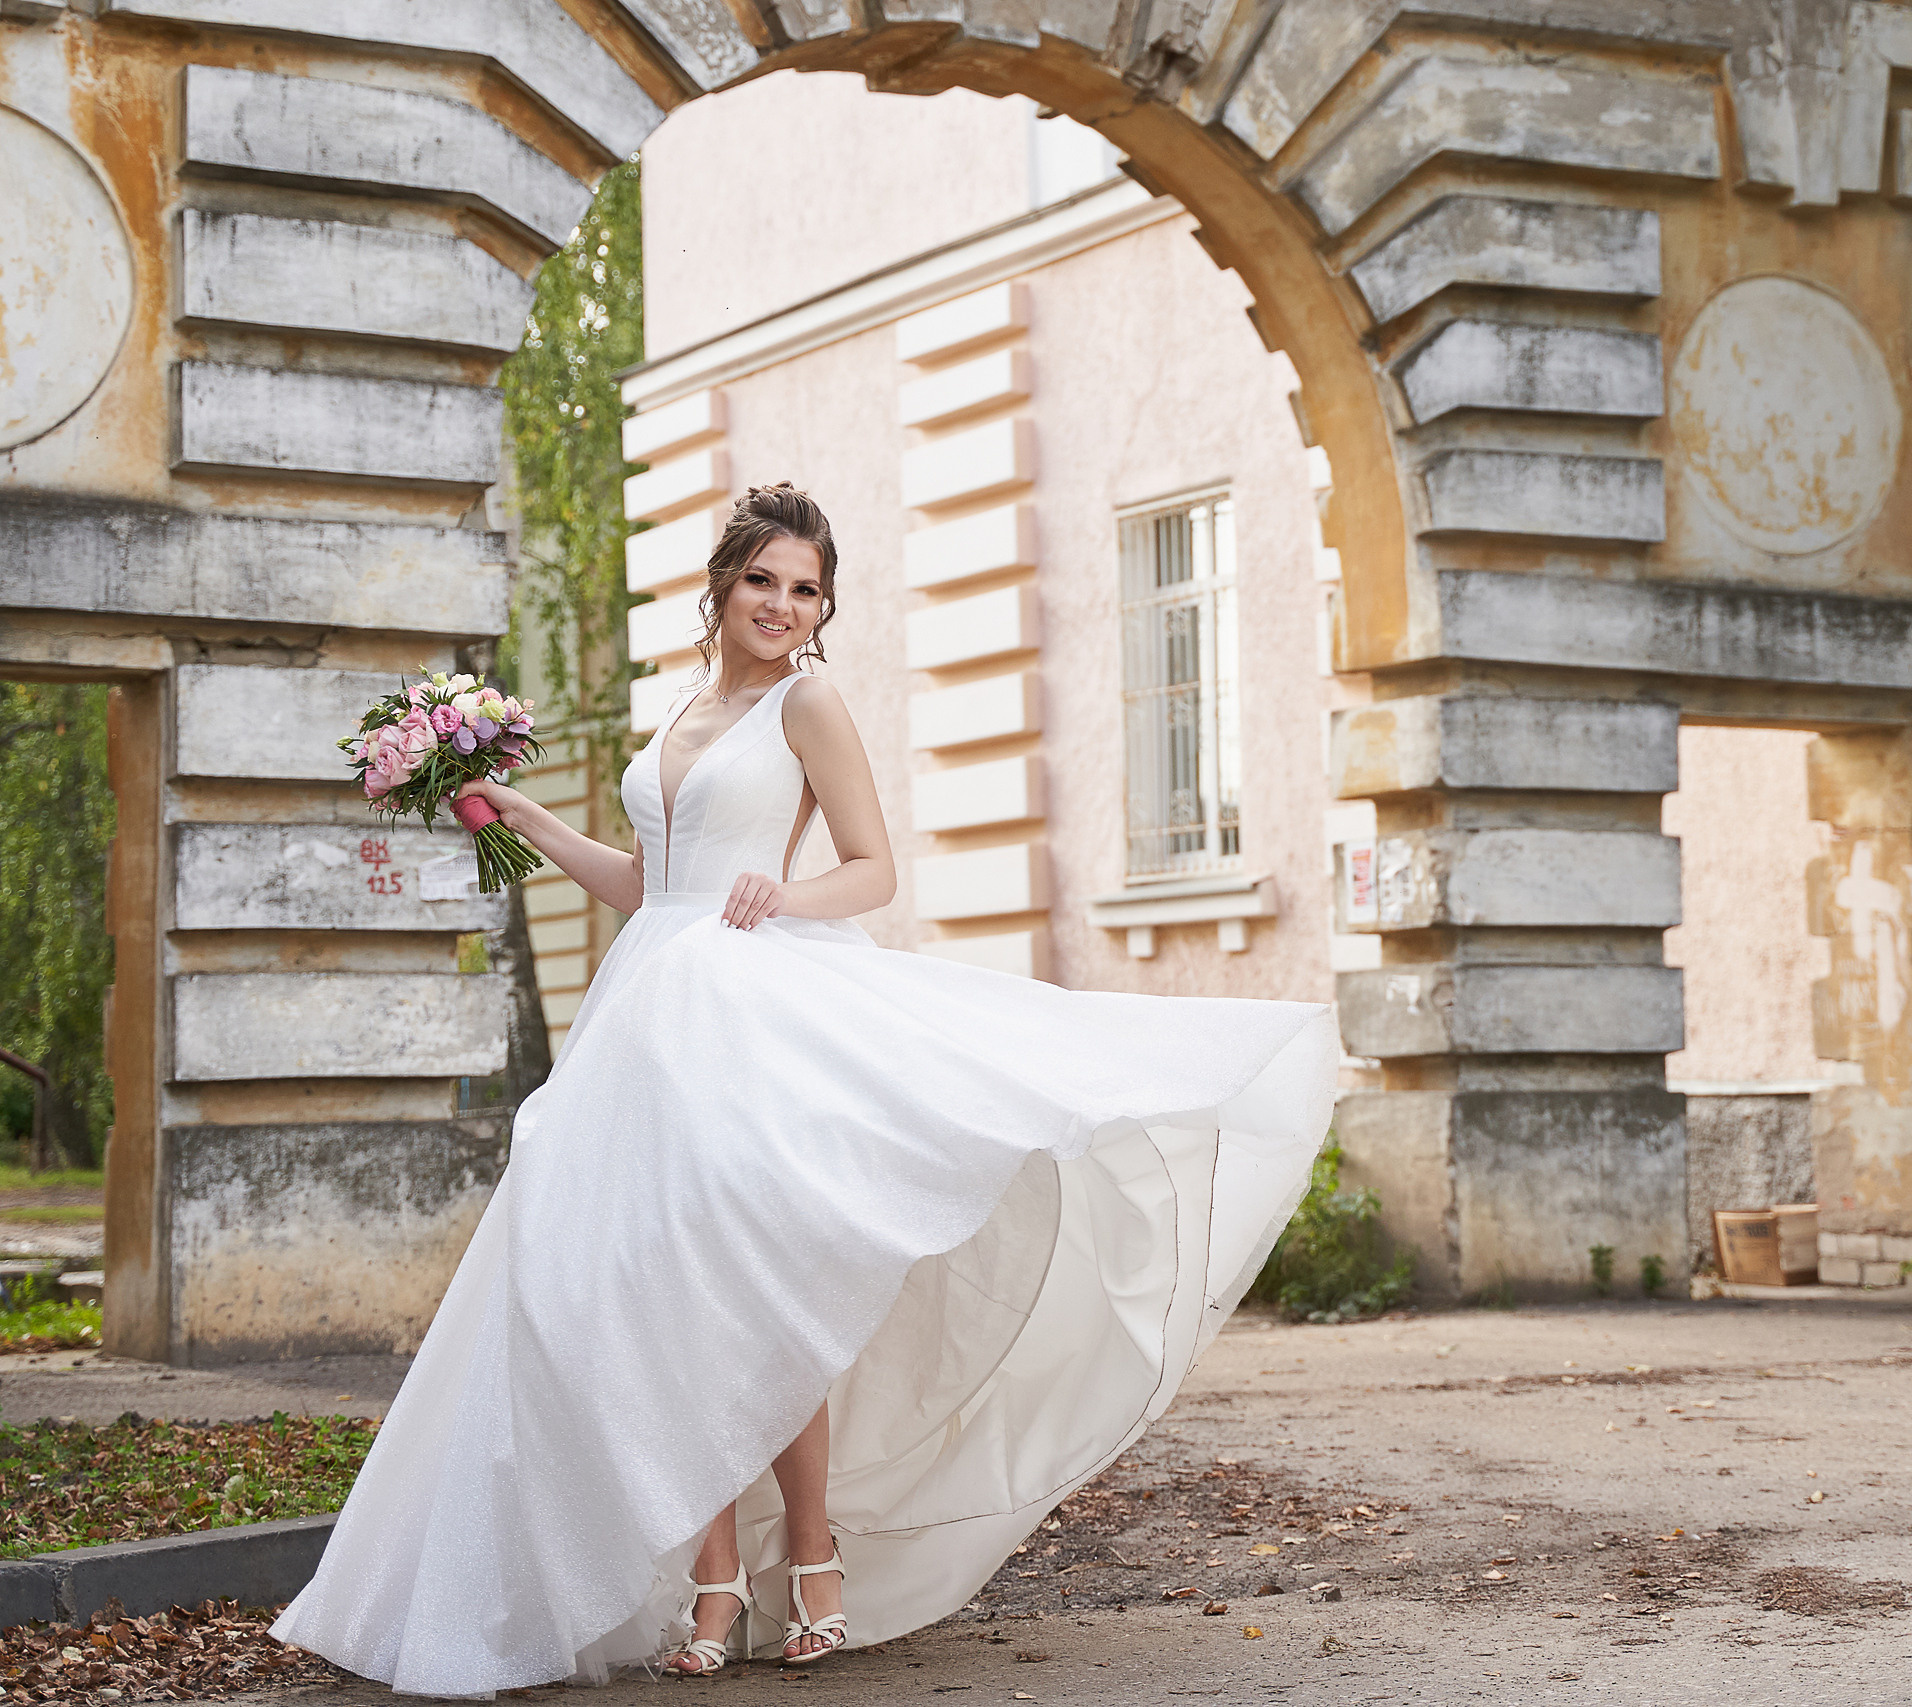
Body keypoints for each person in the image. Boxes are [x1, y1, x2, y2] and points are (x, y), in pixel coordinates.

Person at [270, 483, 1336, 1695]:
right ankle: (711, 1575)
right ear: (721, 587)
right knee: (655, 1299)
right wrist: (525, 820)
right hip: (641, 1024)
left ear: (822, 606)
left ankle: (812, 1558)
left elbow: (872, 867)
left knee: (757, 1294)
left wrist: (788, 895)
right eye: (764, 581)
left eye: (806, 588)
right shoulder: (678, 708)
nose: (783, 606)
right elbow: (646, 882)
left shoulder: (808, 702)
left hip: (747, 1015)